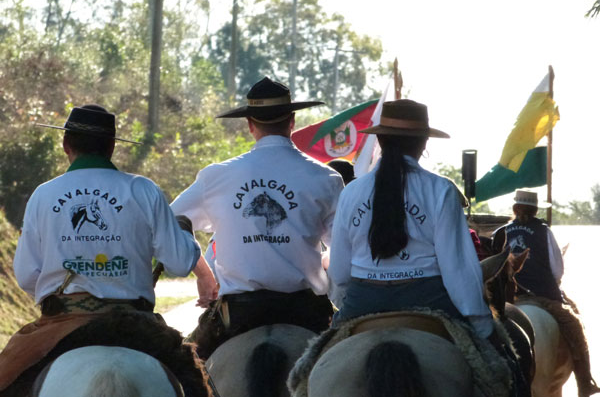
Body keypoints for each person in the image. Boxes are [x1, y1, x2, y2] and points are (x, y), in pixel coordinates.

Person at [0, 105, 218, 395]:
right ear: (112, 146)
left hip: (63, 322)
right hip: (137, 324)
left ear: (66, 145)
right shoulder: (144, 190)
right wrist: (185, 235)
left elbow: (27, 275)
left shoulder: (44, 194)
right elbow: (179, 264)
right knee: (200, 386)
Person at [171, 77, 344, 359]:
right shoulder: (326, 177)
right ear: (292, 121)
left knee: (185, 373)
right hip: (307, 312)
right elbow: (342, 249)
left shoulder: (216, 176)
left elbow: (170, 222)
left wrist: (204, 274)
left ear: (250, 125)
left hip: (238, 313)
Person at [327, 99, 494, 340]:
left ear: (380, 140)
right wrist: (480, 321)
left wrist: (346, 302)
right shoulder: (441, 190)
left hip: (364, 300)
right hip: (428, 298)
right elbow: (456, 267)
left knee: (312, 366)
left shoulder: (351, 192)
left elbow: (339, 272)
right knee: (493, 369)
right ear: (423, 142)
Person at [492, 189, 600, 397]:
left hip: (508, 298)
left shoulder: (500, 232)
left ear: (515, 209)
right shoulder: (544, 231)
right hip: (541, 297)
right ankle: (585, 381)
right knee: (574, 326)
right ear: (535, 210)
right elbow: (557, 268)